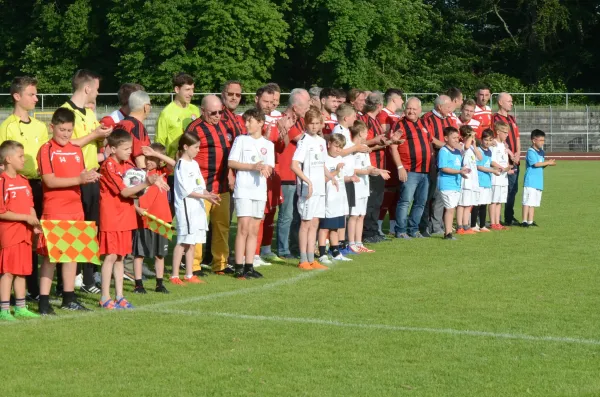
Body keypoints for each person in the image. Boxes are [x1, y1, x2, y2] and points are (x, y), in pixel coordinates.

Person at [36, 108, 101, 315]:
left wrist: (88, 176)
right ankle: (44, 302)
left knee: (72, 254)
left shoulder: (75, 149)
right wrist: (79, 180)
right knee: (51, 257)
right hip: (55, 209)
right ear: (52, 127)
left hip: (75, 208)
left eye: (69, 130)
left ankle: (68, 298)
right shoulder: (46, 149)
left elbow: (80, 174)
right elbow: (49, 180)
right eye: (62, 129)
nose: (65, 134)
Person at [98, 130, 164, 309]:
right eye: (126, 148)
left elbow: (136, 186)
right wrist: (147, 183)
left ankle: (119, 296)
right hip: (111, 216)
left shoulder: (127, 164)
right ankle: (105, 296)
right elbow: (125, 191)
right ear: (112, 149)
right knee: (111, 256)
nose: (129, 152)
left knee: (120, 256)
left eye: (130, 148)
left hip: (126, 215)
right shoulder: (108, 166)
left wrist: (148, 183)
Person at [62, 69, 113, 295]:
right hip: (76, 179)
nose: (98, 93)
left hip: (92, 176)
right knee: (75, 231)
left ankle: (87, 277)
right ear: (87, 88)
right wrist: (94, 136)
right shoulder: (65, 111)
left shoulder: (89, 113)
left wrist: (103, 138)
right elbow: (66, 144)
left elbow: (92, 144)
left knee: (91, 228)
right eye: (97, 88)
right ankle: (72, 279)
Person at [0, 76, 49, 301]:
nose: (36, 98)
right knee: (14, 238)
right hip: (17, 187)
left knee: (37, 236)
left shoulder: (40, 126)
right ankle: (15, 290)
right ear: (17, 96)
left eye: (36, 94)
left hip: (39, 185)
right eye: (31, 94)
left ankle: (34, 288)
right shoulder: (7, 126)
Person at [184, 95, 234, 275]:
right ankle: (194, 265)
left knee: (222, 226)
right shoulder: (194, 128)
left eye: (221, 112)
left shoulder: (222, 124)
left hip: (221, 186)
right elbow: (184, 156)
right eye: (213, 113)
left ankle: (220, 263)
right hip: (202, 187)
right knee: (198, 227)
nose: (218, 115)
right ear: (202, 111)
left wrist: (229, 173)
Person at [228, 108, 274, 278]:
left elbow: (269, 166)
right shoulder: (241, 140)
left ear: (260, 123)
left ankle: (249, 265)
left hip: (259, 190)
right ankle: (238, 266)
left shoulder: (268, 145)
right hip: (244, 189)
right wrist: (252, 167)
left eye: (250, 121)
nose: (246, 124)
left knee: (254, 229)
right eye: (245, 121)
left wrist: (265, 169)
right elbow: (231, 162)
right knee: (243, 227)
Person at [390, 97, 443, 239]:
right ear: (404, 109)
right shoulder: (400, 124)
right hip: (409, 170)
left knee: (420, 202)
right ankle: (401, 230)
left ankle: (413, 230)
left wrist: (449, 147)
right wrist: (400, 167)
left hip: (425, 170)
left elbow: (432, 140)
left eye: (414, 109)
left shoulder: (422, 123)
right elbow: (393, 147)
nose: (411, 111)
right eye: (409, 108)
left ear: (420, 111)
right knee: (405, 201)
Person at [170, 133, 220, 284]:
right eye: (196, 147)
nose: (198, 150)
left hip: (197, 208)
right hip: (187, 208)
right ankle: (174, 275)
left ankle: (189, 274)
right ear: (185, 147)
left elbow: (200, 187)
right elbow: (186, 191)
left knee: (192, 241)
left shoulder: (195, 164)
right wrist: (205, 197)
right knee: (183, 241)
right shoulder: (181, 165)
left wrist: (209, 194)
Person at [0, 141, 41, 320]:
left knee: (22, 271)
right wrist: (25, 218)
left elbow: (30, 205)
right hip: (9, 234)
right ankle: (4, 309)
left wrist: (34, 223)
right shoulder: (2, 182)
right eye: (20, 156)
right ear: (8, 159)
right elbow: (1, 211)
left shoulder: (24, 181)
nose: (24, 160)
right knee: (8, 271)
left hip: (25, 234)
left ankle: (21, 306)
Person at [291, 108, 334, 270]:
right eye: (311, 123)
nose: (314, 127)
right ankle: (303, 259)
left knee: (315, 222)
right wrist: (307, 181)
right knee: (306, 223)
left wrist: (332, 178)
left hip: (319, 189)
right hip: (307, 190)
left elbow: (322, 165)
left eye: (317, 123)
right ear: (306, 124)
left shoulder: (322, 142)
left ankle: (311, 258)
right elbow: (294, 165)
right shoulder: (304, 141)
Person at [133, 143, 175, 294]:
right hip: (145, 218)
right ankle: (138, 284)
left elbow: (174, 164)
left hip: (162, 219)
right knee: (139, 253)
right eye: (147, 158)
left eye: (153, 158)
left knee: (160, 254)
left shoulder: (162, 171)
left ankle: (159, 283)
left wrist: (157, 155)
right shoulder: (139, 174)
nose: (149, 161)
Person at [276, 89, 310, 259]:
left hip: (295, 174)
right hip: (286, 174)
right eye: (306, 105)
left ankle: (294, 246)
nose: (308, 108)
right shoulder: (285, 121)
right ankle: (283, 249)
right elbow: (305, 140)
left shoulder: (299, 120)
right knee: (286, 214)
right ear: (295, 108)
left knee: (296, 214)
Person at [360, 92, 397, 244]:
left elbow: (377, 142)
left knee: (377, 201)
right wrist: (379, 142)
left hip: (379, 165)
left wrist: (390, 141)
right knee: (371, 202)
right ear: (380, 105)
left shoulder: (373, 120)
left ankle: (374, 231)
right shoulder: (365, 120)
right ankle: (368, 233)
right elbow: (363, 143)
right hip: (371, 166)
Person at [347, 121, 389, 253]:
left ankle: (359, 243)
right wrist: (367, 172)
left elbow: (368, 166)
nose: (368, 135)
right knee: (353, 216)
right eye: (366, 132)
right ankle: (351, 243)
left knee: (361, 215)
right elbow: (351, 169)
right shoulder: (350, 148)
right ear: (360, 133)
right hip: (354, 186)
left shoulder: (364, 148)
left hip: (364, 186)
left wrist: (379, 171)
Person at [420, 95, 456, 237]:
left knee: (441, 195)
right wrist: (447, 146)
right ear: (440, 107)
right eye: (448, 107)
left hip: (445, 161)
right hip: (432, 161)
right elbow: (431, 139)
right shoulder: (427, 118)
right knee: (430, 194)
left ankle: (438, 224)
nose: (450, 110)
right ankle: (427, 224)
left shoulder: (447, 119)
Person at [317, 133, 353, 264]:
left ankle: (336, 251)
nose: (338, 150)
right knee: (325, 227)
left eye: (340, 147)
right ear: (329, 144)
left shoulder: (339, 159)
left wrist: (349, 178)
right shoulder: (324, 159)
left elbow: (341, 178)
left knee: (335, 228)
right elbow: (324, 179)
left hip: (339, 198)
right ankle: (322, 253)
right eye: (336, 146)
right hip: (328, 199)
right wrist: (336, 171)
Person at [377, 88, 404, 236]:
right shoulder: (384, 115)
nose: (402, 101)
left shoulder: (395, 115)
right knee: (387, 192)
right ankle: (379, 225)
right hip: (387, 158)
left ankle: (393, 226)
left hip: (396, 158)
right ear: (394, 99)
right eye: (401, 98)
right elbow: (385, 137)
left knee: (395, 193)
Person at [155, 73, 200, 160]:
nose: (191, 93)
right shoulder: (166, 113)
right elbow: (159, 143)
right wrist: (163, 163)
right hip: (173, 166)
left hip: (193, 163)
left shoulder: (195, 110)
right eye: (187, 89)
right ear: (177, 89)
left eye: (192, 89)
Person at [493, 92, 521, 226]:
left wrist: (518, 153)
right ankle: (499, 219)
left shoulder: (512, 119)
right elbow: (496, 140)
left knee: (513, 190)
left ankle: (509, 217)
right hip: (504, 161)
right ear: (500, 102)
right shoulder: (495, 119)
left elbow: (517, 137)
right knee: (503, 190)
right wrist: (510, 153)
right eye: (509, 101)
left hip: (514, 160)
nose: (511, 103)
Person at [437, 127, 470, 240]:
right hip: (446, 184)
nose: (457, 140)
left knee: (452, 208)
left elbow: (456, 166)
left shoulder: (457, 152)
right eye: (454, 137)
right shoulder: (444, 151)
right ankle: (447, 233)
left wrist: (463, 171)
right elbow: (443, 168)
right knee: (450, 208)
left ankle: (449, 231)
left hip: (456, 184)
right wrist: (459, 171)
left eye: (457, 137)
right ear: (446, 138)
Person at [522, 129, 556, 227]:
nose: (542, 142)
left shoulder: (541, 152)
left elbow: (541, 165)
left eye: (543, 140)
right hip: (530, 181)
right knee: (527, 201)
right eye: (540, 140)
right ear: (534, 140)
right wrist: (548, 162)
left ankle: (530, 221)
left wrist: (547, 164)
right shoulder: (531, 151)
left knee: (533, 203)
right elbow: (536, 164)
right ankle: (524, 221)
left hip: (538, 181)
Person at [471, 129, 500, 232]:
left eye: (490, 140)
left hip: (487, 181)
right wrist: (492, 170)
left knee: (484, 203)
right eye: (485, 140)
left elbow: (488, 164)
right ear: (481, 139)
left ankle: (482, 225)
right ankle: (473, 224)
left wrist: (497, 168)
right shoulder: (478, 150)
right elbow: (478, 166)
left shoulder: (489, 151)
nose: (487, 142)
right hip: (479, 180)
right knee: (477, 204)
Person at [115, 90, 152, 168]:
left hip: (118, 170)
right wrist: (144, 176)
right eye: (150, 105)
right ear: (146, 107)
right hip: (130, 174)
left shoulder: (121, 122)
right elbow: (139, 157)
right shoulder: (136, 126)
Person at [456, 125, 482, 235]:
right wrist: (470, 137)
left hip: (472, 180)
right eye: (471, 135)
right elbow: (465, 147)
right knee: (462, 204)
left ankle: (466, 225)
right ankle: (459, 226)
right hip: (465, 180)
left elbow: (480, 157)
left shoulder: (471, 147)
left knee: (468, 204)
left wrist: (475, 146)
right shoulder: (461, 145)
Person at [489, 121, 515, 230]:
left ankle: (497, 222)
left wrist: (508, 168)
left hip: (503, 176)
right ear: (498, 132)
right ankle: (492, 223)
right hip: (496, 176)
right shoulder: (493, 144)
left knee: (500, 200)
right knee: (494, 201)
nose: (507, 135)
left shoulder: (504, 145)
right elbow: (492, 161)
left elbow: (505, 160)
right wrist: (502, 168)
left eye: (507, 132)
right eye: (505, 132)